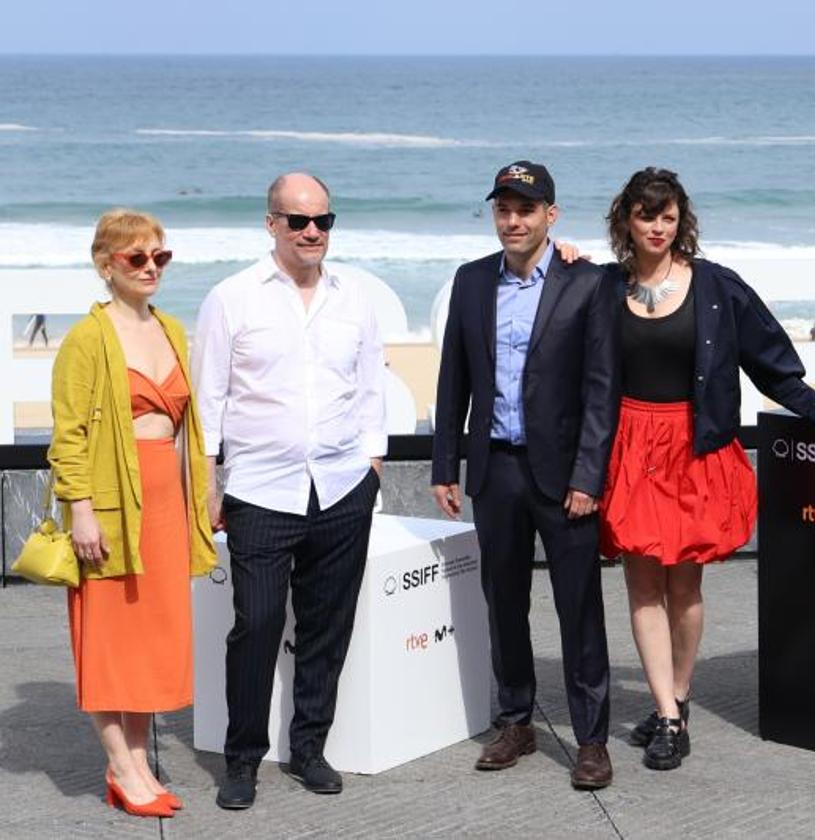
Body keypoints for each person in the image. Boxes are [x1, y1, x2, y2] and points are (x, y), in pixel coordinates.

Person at [600, 168, 815, 770]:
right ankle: (669, 718)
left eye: (667, 217)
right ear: (626, 221)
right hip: (630, 446)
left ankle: (679, 694)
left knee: (685, 587)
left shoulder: (718, 287)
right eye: (646, 216)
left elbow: (772, 365)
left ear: (681, 221)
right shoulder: (601, 287)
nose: (657, 228)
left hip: (694, 447)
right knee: (641, 584)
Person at [193, 173, 386, 809]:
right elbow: (209, 401)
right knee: (258, 622)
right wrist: (211, 485)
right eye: (299, 221)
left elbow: (369, 387)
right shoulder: (231, 298)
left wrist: (373, 462)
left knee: (328, 624)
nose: (312, 233)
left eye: (323, 222)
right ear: (271, 223)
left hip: (339, 487)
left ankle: (308, 748)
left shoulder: (354, 296)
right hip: (260, 490)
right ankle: (242, 759)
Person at [431, 161, 620, 790]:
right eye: (503, 210)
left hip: (566, 477)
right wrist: (444, 465)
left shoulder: (586, 282)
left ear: (551, 216)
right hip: (494, 469)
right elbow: (453, 376)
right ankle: (516, 721)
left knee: (579, 609)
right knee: (503, 604)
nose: (513, 221)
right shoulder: (471, 280)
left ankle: (592, 739)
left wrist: (589, 476)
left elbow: (602, 390)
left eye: (526, 210)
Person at [49, 209, 217, 818]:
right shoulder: (86, 339)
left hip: (168, 504)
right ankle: (121, 765)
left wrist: (203, 493)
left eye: (160, 258)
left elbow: (185, 430)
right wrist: (83, 512)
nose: (152, 268)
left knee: (153, 641)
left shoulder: (171, 328)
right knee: (109, 640)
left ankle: (139, 761)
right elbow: (67, 435)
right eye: (137, 259)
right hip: (114, 508)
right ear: (106, 266)